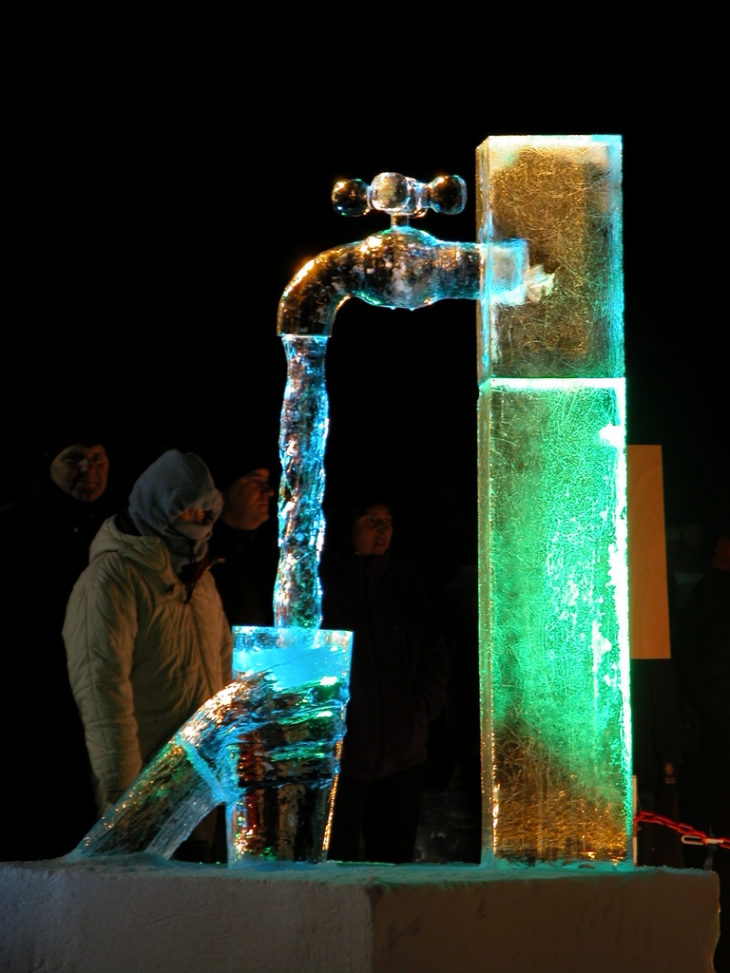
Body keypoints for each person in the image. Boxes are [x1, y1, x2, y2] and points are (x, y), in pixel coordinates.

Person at [63, 449, 232, 841]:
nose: (199, 523)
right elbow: (101, 687)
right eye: (187, 511)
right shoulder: (113, 576)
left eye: (207, 514)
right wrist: (125, 794)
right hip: (143, 789)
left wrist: (224, 759)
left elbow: (222, 667)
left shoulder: (201, 577)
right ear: (158, 507)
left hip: (199, 785)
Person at [0, 433, 113, 860]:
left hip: (90, 697)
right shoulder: (18, 530)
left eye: (99, 458)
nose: (90, 470)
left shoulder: (110, 530)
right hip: (34, 703)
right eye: (75, 459)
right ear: (49, 465)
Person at [322, 498, 448, 863]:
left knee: (395, 869)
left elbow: (434, 651)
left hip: (402, 753)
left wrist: (419, 712)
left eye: (388, 521)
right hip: (343, 756)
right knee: (335, 865)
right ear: (349, 528)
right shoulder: (326, 579)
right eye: (371, 521)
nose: (382, 530)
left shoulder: (405, 577)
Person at [202, 444, 278, 626]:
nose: (269, 491)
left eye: (266, 481)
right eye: (255, 480)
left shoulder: (270, 553)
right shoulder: (200, 557)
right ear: (223, 489)